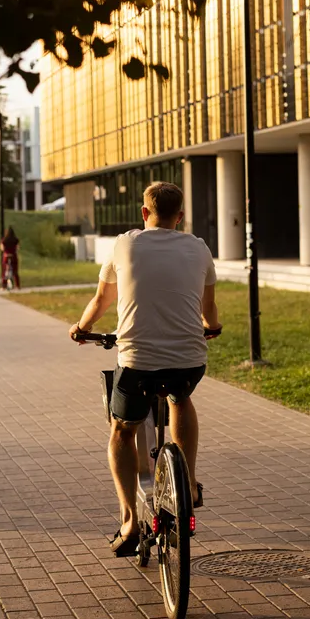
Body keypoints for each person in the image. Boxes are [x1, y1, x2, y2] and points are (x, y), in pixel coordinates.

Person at [68, 182, 221, 557]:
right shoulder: (198, 247)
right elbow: (209, 309)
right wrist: (211, 328)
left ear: (143, 213)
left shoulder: (124, 243)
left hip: (138, 362)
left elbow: (103, 298)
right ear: (179, 217)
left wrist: (82, 329)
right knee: (180, 398)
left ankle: (129, 522)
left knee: (121, 430)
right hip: (189, 359)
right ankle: (189, 484)